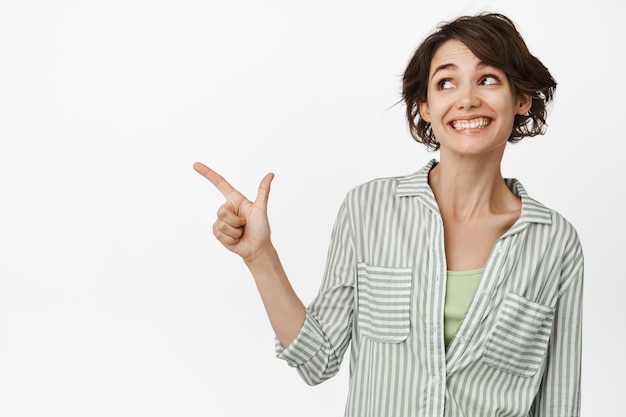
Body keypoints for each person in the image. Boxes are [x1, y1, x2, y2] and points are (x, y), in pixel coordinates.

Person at [193, 12, 584, 417]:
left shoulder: (555, 242)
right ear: (426, 107)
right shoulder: (368, 210)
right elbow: (316, 360)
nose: (467, 99)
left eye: (488, 79)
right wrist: (260, 256)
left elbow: (558, 400)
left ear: (521, 99)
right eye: (446, 82)